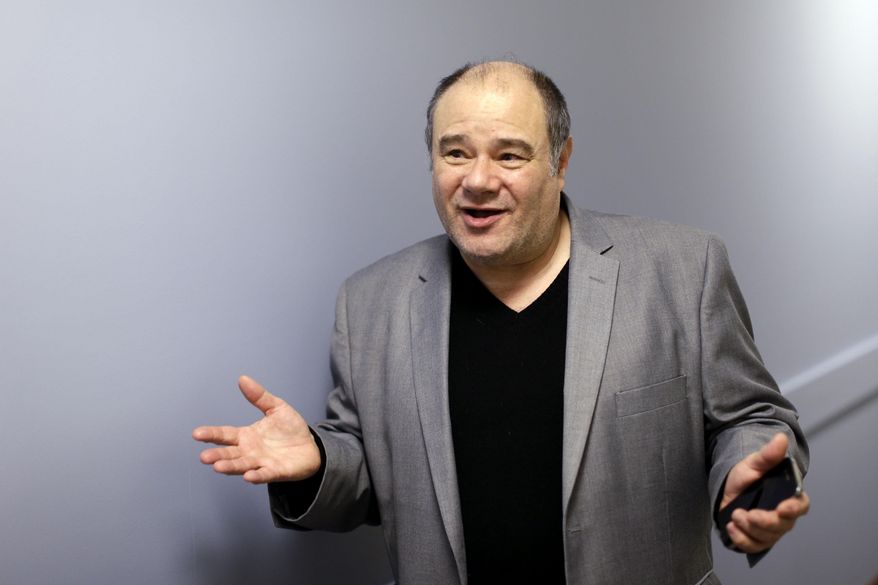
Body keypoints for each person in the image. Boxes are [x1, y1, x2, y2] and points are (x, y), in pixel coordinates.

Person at [193, 60, 810, 585]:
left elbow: (750, 418)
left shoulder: (682, 268)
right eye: (454, 152)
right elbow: (375, 476)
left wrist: (756, 482)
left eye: (509, 154)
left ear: (560, 160)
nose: (478, 181)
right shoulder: (370, 302)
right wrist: (322, 463)